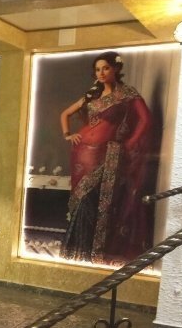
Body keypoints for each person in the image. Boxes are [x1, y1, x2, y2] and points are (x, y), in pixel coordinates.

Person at [59, 51, 152, 264]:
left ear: (116, 69)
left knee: (97, 201)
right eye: (97, 69)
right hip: (82, 154)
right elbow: (65, 114)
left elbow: (145, 120)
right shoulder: (92, 95)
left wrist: (130, 143)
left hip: (107, 154)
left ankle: (92, 251)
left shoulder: (127, 93)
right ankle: (76, 250)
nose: (101, 73)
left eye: (106, 68)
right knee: (81, 199)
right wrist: (67, 134)